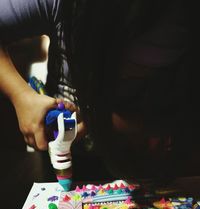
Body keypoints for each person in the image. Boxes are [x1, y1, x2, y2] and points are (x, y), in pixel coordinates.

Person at [0, 0, 196, 178]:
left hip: (154, 167)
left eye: (143, 69)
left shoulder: (182, 17)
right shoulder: (62, 5)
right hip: (74, 161)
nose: (122, 75)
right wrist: (21, 95)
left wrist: (113, 123)